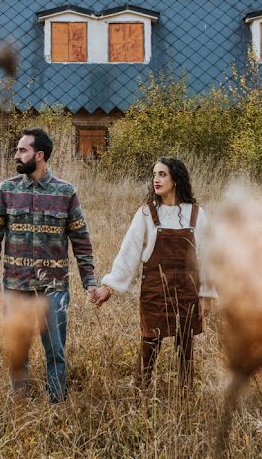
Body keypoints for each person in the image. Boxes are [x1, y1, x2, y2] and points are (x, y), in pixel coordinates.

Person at [0, 127, 99, 403]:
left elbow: (81, 239)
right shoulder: (7, 190)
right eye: (17, 150)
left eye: (22, 150)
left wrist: (89, 280)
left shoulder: (65, 192)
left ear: (40, 155)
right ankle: (19, 404)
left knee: (55, 351)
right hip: (16, 285)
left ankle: (56, 402)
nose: (16, 155)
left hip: (53, 287)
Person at [92, 157, 213, 389]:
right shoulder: (146, 214)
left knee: (185, 347)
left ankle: (185, 397)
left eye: (163, 174)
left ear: (176, 178)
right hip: (155, 290)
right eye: (155, 174)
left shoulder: (196, 214)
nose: (156, 180)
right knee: (150, 343)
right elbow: (129, 252)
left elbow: (207, 257)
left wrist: (206, 295)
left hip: (187, 291)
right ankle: (140, 392)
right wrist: (110, 286)